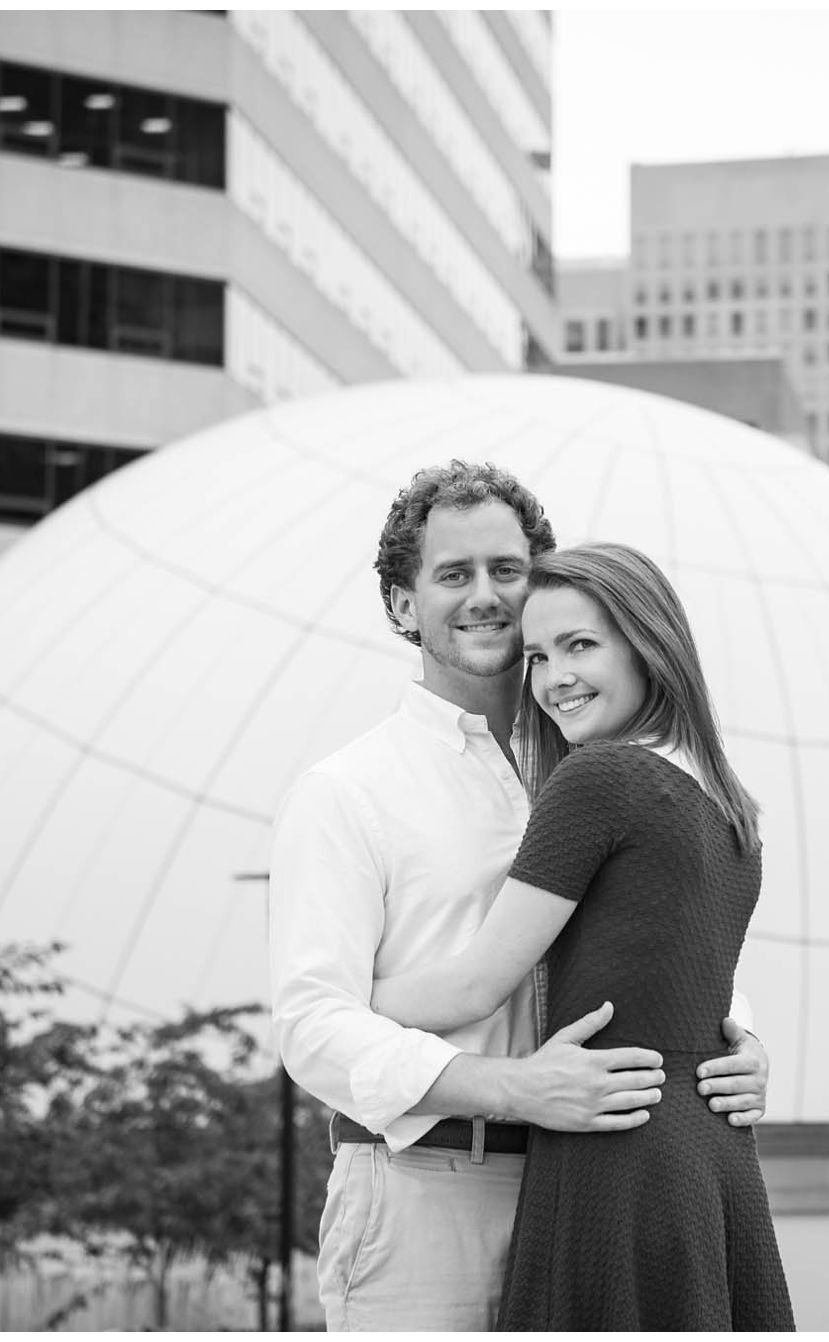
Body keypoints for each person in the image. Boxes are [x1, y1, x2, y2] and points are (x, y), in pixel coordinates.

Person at [267, 462, 771, 1331]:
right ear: (400, 605)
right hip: (427, 1198)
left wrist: (737, 1040)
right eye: (452, 574)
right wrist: (514, 1090)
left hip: (589, 1187)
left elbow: (661, 936)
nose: (486, 596)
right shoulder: (347, 791)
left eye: (506, 570)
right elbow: (312, 1027)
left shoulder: (597, 764)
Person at [371, 542, 795, 1331]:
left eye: (580, 645)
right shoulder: (730, 807)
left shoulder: (600, 780)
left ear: (649, 642)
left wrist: (344, 999)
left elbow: (477, 984)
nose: (553, 677)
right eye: (536, 655)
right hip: (712, 1157)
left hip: (615, 1147)